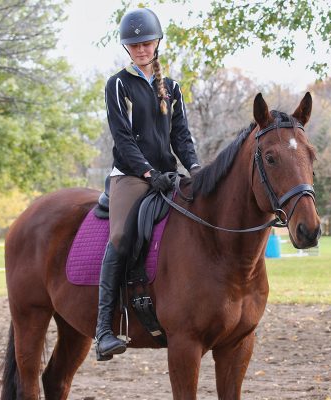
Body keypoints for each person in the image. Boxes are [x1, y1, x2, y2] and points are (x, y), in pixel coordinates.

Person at [95, 8, 201, 361]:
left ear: (157, 43)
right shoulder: (118, 84)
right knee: (122, 236)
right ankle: (104, 329)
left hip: (167, 174)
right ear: (127, 48)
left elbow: (181, 136)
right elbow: (123, 138)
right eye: (134, 44)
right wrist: (146, 174)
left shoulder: (171, 88)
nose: (141, 49)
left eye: (146, 43)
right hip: (129, 176)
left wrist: (196, 167)